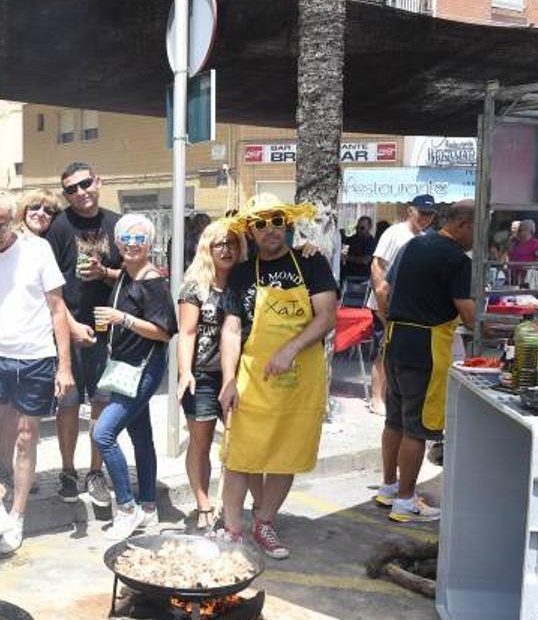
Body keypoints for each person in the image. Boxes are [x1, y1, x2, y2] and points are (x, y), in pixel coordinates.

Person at [218, 194, 338, 560]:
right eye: (261, 223)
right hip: (253, 377)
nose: (270, 228)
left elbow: (326, 316)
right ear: (250, 232)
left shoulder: (310, 262)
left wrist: (289, 349)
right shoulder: (240, 274)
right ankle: (232, 529)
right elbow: (232, 330)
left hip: (301, 378)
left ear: (286, 224)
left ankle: (265, 522)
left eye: (276, 220)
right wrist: (228, 380)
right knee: (240, 456)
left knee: (286, 455)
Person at [0, 190, 73, 553]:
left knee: (26, 438)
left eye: (0, 225)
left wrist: (64, 366)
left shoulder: (37, 250)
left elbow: (57, 308)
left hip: (37, 358)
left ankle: (17, 516)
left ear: (14, 220)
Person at [375, 201, 476, 523]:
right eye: (478, 229)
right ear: (462, 224)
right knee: (416, 429)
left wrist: (393, 319)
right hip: (426, 347)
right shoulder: (457, 259)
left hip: (395, 340)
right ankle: (405, 501)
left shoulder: (412, 244)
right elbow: (470, 315)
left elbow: (383, 291)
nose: (478, 238)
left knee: (394, 420)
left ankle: (389, 487)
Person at [91, 215, 177, 541]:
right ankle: (150, 508)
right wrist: (105, 273)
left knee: (103, 434)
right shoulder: (128, 274)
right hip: (126, 367)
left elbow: (165, 332)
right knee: (141, 437)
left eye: (139, 239)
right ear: (116, 242)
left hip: (143, 368)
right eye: (125, 237)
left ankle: (127, 508)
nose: (131, 243)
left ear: (150, 244)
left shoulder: (153, 281)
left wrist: (121, 318)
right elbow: (125, 279)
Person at [44, 162, 122, 506]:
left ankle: (95, 473)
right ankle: (67, 472)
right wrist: (71, 327)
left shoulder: (117, 224)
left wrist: (104, 272)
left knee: (102, 403)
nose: (80, 192)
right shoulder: (59, 226)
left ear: (98, 181)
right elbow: (47, 284)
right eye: (71, 189)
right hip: (68, 326)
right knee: (70, 403)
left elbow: (134, 275)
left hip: (108, 327)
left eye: (85, 184)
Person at [0, 189, 62, 494]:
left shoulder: (41, 248)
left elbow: (54, 301)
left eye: (49, 211)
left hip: (31, 344)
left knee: (20, 416)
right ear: (21, 210)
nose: (41, 214)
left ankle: (16, 471)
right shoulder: (0, 239)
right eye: (35, 207)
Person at [176, 219, 244, 532]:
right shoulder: (195, 286)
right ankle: (203, 504)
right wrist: (185, 373)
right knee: (200, 443)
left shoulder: (245, 281)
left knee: (238, 444)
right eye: (220, 244)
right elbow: (186, 333)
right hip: (201, 375)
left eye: (232, 243)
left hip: (240, 375)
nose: (227, 250)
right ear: (207, 248)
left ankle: (231, 506)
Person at [367, 195, 436, 414]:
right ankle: (376, 398)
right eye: (422, 213)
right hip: (387, 302)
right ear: (410, 211)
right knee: (384, 351)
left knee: (401, 353)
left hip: (413, 307)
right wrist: (381, 303)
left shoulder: (429, 237)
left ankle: (395, 397)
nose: (426, 219)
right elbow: (377, 265)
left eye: (430, 215)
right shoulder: (394, 233)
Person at [508, 218, 538, 285]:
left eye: (520, 230)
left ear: (528, 231)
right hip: (513, 278)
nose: (518, 232)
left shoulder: (536, 244)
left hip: (527, 280)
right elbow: (509, 255)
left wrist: (530, 267)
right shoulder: (516, 243)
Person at [341, 216, 376, 282]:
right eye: (357, 228)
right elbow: (343, 253)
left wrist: (348, 258)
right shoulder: (352, 239)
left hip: (361, 279)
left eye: (362, 228)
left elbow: (365, 260)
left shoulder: (370, 242)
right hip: (347, 277)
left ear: (369, 227)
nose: (359, 230)